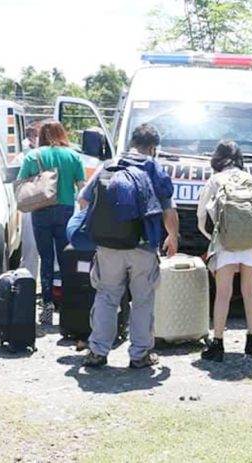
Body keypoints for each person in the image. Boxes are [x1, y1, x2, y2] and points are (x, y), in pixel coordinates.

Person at [78, 123, 179, 369]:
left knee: (106, 296)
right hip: (143, 247)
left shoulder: (109, 165)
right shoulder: (153, 167)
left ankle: (98, 351)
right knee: (143, 300)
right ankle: (139, 355)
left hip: (108, 247)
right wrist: (172, 236)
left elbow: (83, 200)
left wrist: (104, 227)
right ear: (153, 148)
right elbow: (168, 210)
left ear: (132, 142)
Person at [197, 140, 252, 362]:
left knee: (223, 293)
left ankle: (218, 343)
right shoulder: (251, 180)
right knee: (249, 290)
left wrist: (215, 239)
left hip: (225, 243)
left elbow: (202, 217)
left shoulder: (215, 180)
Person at [17, 120, 85, 325]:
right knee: (66, 259)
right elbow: (82, 188)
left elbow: (22, 183)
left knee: (46, 259)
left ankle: (46, 306)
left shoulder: (33, 156)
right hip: (65, 210)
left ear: (41, 137)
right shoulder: (73, 155)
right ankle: (67, 307)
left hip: (41, 211)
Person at [19, 123, 40, 280]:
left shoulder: (28, 157)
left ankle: (28, 282)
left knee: (30, 248)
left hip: (32, 206)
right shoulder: (68, 155)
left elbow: (19, 182)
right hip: (58, 206)